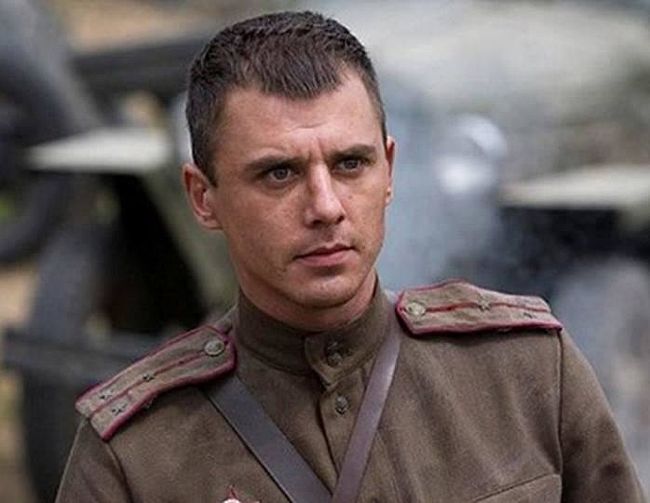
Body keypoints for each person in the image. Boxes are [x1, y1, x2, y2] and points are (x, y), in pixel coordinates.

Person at [56, 11, 645, 503]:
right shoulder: (136, 454)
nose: (326, 206)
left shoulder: (527, 374)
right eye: (279, 173)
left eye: (350, 164)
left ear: (389, 170)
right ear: (203, 197)